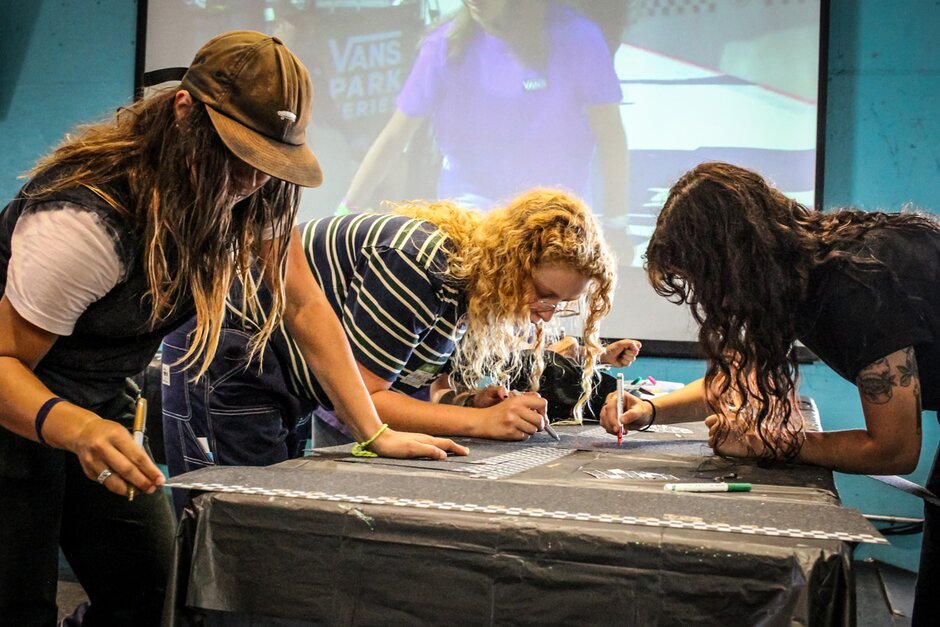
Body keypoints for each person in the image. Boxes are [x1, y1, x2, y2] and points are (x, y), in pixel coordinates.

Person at [0, 30, 463, 626]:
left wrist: (373, 429)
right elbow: (7, 361)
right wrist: (73, 427)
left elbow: (301, 305)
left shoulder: (255, 196)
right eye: (236, 153)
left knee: (158, 595)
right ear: (185, 110)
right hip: (17, 399)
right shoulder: (87, 221)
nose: (251, 178)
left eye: (267, 162)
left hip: (93, 398)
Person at [599, 161, 939, 625]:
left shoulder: (855, 290)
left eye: (704, 279)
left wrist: (774, 444)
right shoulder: (802, 266)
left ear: (732, 262)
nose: (706, 295)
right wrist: (648, 411)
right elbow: (737, 373)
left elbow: (896, 450)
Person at [163, 188, 640, 485]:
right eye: (543, 293)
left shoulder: (467, 286)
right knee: (236, 527)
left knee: (268, 526)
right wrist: (484, 423)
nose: (546, 311)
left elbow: (411, 382)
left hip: (283, 378)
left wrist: (469, 403)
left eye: (562, 303)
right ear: (512, 262)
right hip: (231, 360)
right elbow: (362, 404)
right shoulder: (418, 264)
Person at [338, 0, 628, 220]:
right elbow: (394, 137)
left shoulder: (577, 37)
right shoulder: (443, 45)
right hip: (470, 213)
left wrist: (616, 222)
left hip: (555, 215)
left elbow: (610, 135)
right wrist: (345, 212)